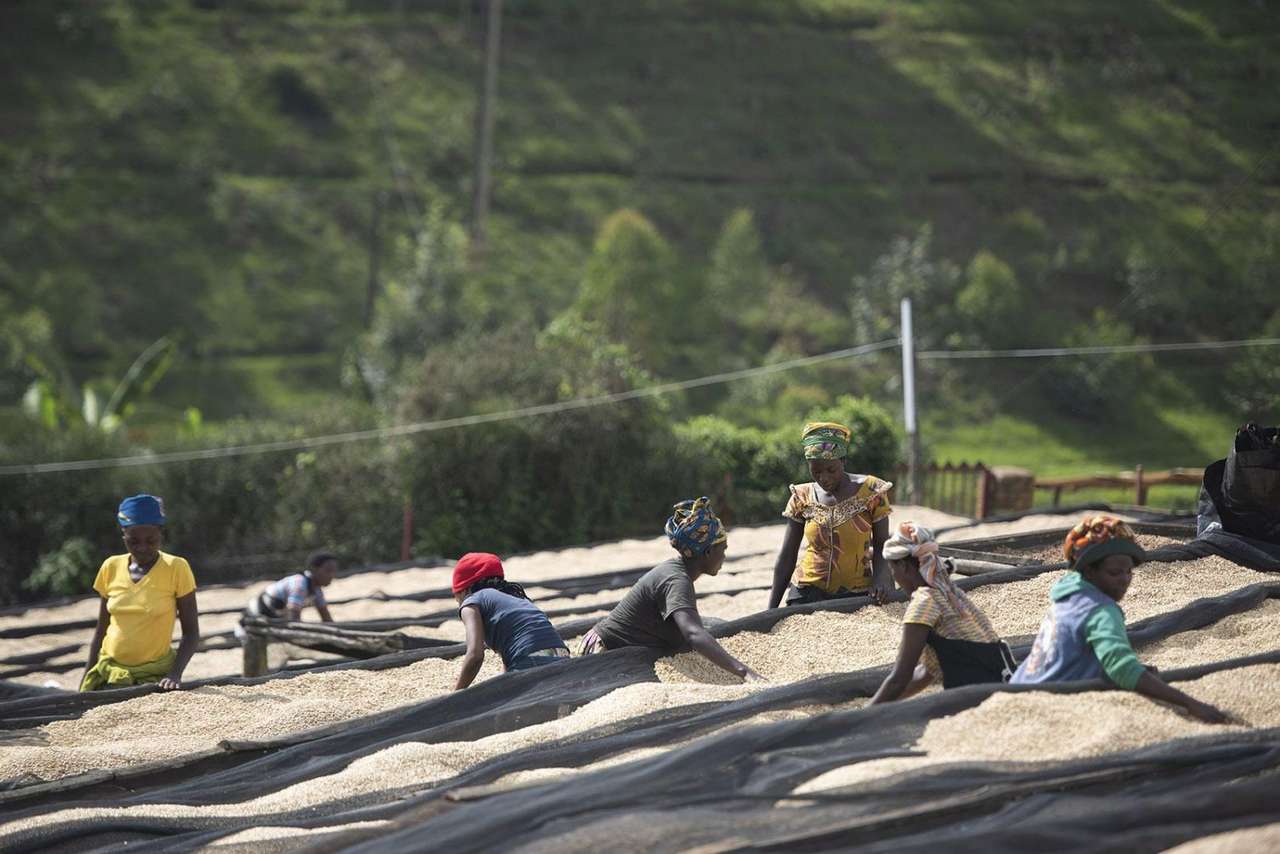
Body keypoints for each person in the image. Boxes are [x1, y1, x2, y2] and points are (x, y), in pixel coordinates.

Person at [1011, 515, 1230, 723]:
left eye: (1129, 571)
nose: (1124, 580)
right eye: (1115, 573)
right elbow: (1122, 669)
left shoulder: (1067, 600)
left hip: (1020, 688)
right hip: (1048, 701)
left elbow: (1077, 653)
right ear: (1088, 571)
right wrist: (1190, 704)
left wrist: (1136, 669)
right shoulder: (1101, 610)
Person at [579, 497, 765, 684]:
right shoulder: (676, 580)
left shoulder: (678, 574)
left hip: (620, 651)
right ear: (707, 552)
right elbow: (693, 634)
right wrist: (744, 671)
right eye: (722, 549)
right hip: (602, 654)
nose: (724, 556)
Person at [869, 522, 1015, 704]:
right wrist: (882, 704)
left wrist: (862, 716)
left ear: (904, 567)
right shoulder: (952, 593)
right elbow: (926, 672)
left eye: (893, 570)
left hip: (976, 696)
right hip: (1002, 685)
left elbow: (899, 678)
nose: (895, 578)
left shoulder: (924, 602)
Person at [768, 421, 894, 609]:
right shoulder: (801, 496)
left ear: (843, 461)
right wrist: (771, 610)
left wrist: (881, 579)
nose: (824, 478)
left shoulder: (872, 491)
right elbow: (787, 555)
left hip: (856, 591)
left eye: (831, 470)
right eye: (816, 471)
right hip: (807, 591)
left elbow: (882, 543)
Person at [80, 494, 200, 692]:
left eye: (150, 541)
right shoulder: (110, 566)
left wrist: (175, 674)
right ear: (123, 534)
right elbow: (101, 631)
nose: (142, 548)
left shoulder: (176, 568)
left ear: (161, 533)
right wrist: (85, 683)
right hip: (110, 672)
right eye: (133, 541)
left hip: (154, 675)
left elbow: (191, 633)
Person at [452, 552, 569, 690]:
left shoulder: (471, 603)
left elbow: (475, 655)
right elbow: (509, 660)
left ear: (462, 590)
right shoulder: (517, 598)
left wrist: (457, 693)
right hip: (563, 658)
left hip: (531, 660)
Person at [245, 552, 338, 623]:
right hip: (255, 617)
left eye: (334, 571)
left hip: (272, 619)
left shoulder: (316, 591)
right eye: (328, 571)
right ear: (314, 569)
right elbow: (294, 618)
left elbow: (326, 618)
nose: (332, 575)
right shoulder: (299, 584)